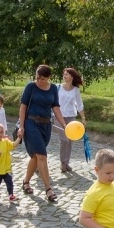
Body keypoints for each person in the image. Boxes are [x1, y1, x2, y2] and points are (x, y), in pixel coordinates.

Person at [17, 65, 68, 202]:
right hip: (31, 123)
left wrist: (64, 125)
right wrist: (21, 126)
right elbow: (23, 107)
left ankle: (26, 181)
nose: (39, 81)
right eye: (37, 77)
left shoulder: (53, 88)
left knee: (36, 157)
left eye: (43, 79)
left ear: (49, 77)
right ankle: (48, 189)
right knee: (42, 156)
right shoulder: (30, 87)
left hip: (46, 126)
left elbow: (56, 107)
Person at [57, 67, 86, 172]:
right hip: (58, 117)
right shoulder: (58, 87)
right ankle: (62, 162)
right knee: (64, 139)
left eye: (67, 74)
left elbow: (79, 104)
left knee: (70, 140)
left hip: (71, 117)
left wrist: (83, 118)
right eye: (64, 74)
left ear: (72, 76)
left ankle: (66, 163)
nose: (64, 76)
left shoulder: (76, 90)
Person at [0, 122, 22, 201]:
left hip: (7, 167)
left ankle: (11, 194)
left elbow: (13, 145)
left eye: (1, 132)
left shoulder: (6, 141)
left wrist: (19, 138)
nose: (0, 134)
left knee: (9, 182)